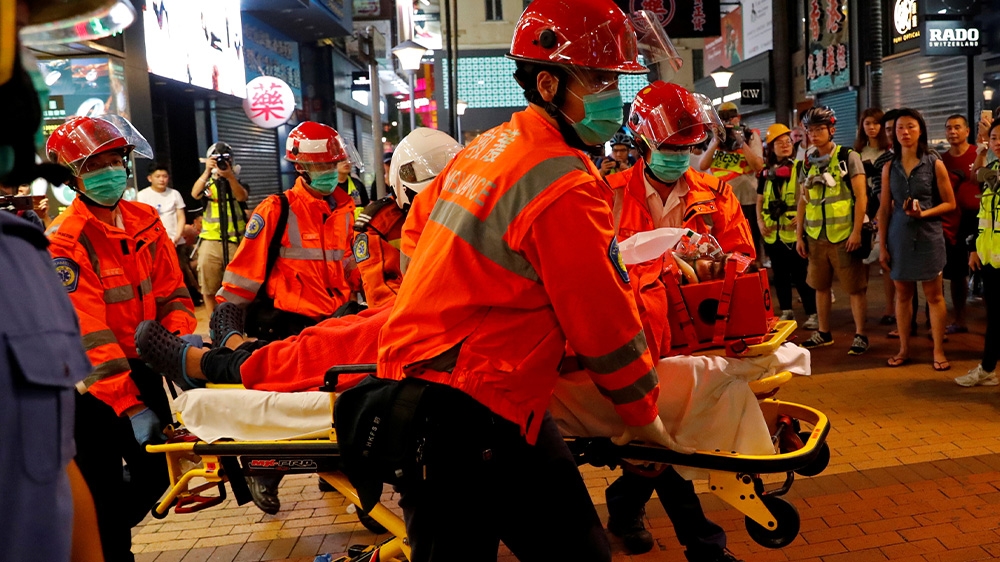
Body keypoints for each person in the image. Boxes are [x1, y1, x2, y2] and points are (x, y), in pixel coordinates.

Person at [370, 2, 686, 559]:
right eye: (601, 78)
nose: (615, 94)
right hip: (470, 409)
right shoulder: (560, 180)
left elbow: (418, 239)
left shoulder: (487, 149)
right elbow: (601, 319)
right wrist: (643, 416)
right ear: (548, 83)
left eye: (615, 78)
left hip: (473, 392)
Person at [603, 80, 749, 562]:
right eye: (668, 147)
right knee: (662, 435)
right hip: (636, 336)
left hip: (700, 334)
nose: (679, 157)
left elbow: (742, 256)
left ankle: (625, 505)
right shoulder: (608, 196)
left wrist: (713, 264)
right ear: (643, 141)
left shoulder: (716, 192)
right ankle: (703, 546)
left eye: (687, 148)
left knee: (667, 435)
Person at [45, 115, 197, 561]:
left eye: (114, 160)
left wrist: (178, 351)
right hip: (92, 386)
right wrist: (128, 405)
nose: (109, 172)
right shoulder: (65, 242)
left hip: (144, 367)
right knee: (103, 488)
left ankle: (83, 536)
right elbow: (87, 332)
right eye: (95, 165)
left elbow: (174, 294)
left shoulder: (145, 220)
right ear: (73, 177)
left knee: (156, 479)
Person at [879, 108, 955, 371]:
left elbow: (950, 203)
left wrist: (924, 213)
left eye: (910, 127)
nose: (905, 132)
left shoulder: (934, 163)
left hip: (928, 235)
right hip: (899, 236)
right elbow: (885, 208)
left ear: (920, 130)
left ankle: (938, 350)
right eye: (900, 128)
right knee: (903, 295)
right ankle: (903, 349)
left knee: (934, 295)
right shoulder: (889, 166)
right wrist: (882, 245)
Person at [355, 127, 462, 308]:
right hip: (413, 320)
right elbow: (384, 295)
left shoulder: (463, 210)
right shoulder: (379, 225)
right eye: (428, 201)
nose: (434, 210)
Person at [795, 105, 871, 355]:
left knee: (855, 288)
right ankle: (823, 333)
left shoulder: (848, 157)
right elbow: (803, 200)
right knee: (820, 286)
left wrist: (857, 232)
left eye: (819, 129)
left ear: (831, 130)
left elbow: (861, 197)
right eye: (810, 130)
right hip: (816, 237)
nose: (814, 134)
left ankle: (860, 335)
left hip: (844, 236)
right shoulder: (806, 161)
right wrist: (799, 236)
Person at [758, 123, 818, 329]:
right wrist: (759, 222)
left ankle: (813, 313)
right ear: (771, 148)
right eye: (779, 143)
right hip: (772, 234)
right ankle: (786, 311)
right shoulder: (765, 173)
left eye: (787, 141)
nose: (785, 145)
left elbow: (809, 197)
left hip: (794, 234)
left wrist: (802, 219)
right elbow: (759, 200)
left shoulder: (801, 168)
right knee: (780, 275)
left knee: (802, 276)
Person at [956, 119, 1000, 386]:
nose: (998, 142)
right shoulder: (991, 169)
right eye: (994, 137)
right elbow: (981, 213)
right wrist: (973, 248)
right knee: (994, 316)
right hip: (991, 258)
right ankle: (987, 369)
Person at [698, 102, 765, 263]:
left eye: (731, 118)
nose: (728, 122)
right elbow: (703, 165)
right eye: (724, 119)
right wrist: (715, 140)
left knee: (749, 241)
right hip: (721, 201)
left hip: (746, 199)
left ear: (739, 117)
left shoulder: (750, 136)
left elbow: (758, 165)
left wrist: (741, 142)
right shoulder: (716, 138)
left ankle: (753, 271)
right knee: (724, 242)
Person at [192, 141, 248, 315]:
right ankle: (213, 324)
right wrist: (208, 171)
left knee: (237, 286)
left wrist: (230, 176)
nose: (222, 163)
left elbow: (241, 197)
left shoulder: (237, 182)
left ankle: (237, 322)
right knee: (209, 286)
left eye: (226, 160)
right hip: (210, 240)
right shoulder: (208, 184)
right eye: (217, 160)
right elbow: (195, 194)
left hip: (235, 241)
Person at [137, 164, 199, 304]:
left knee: (181, 269)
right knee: (159, 272)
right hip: (154, 242)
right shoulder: (142, 196)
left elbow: (180, 216)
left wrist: (177, 236)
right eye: (158, 176)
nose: (161, 179)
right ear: (149, 178)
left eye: (164, 176)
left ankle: (187, 298)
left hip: (176, 240)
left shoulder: (174, 194)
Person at [941, 114, 978, 334]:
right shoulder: (941, 159)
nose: (952, 132)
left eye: (957, 127)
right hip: (953, 221)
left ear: (967, 131)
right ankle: (960, 319)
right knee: (956, 273)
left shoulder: (979, 153)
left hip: (982, 219)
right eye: (948, 128)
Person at [873, 110, 900, 329]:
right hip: (894, 226)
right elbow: (882, 201)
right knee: (898, 276)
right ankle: (903, 324)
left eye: (899, 127)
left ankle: (932, 324)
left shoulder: (930, 158)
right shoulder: (882, 162)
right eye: (890, 129)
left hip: (926, 228)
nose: (895, 133)